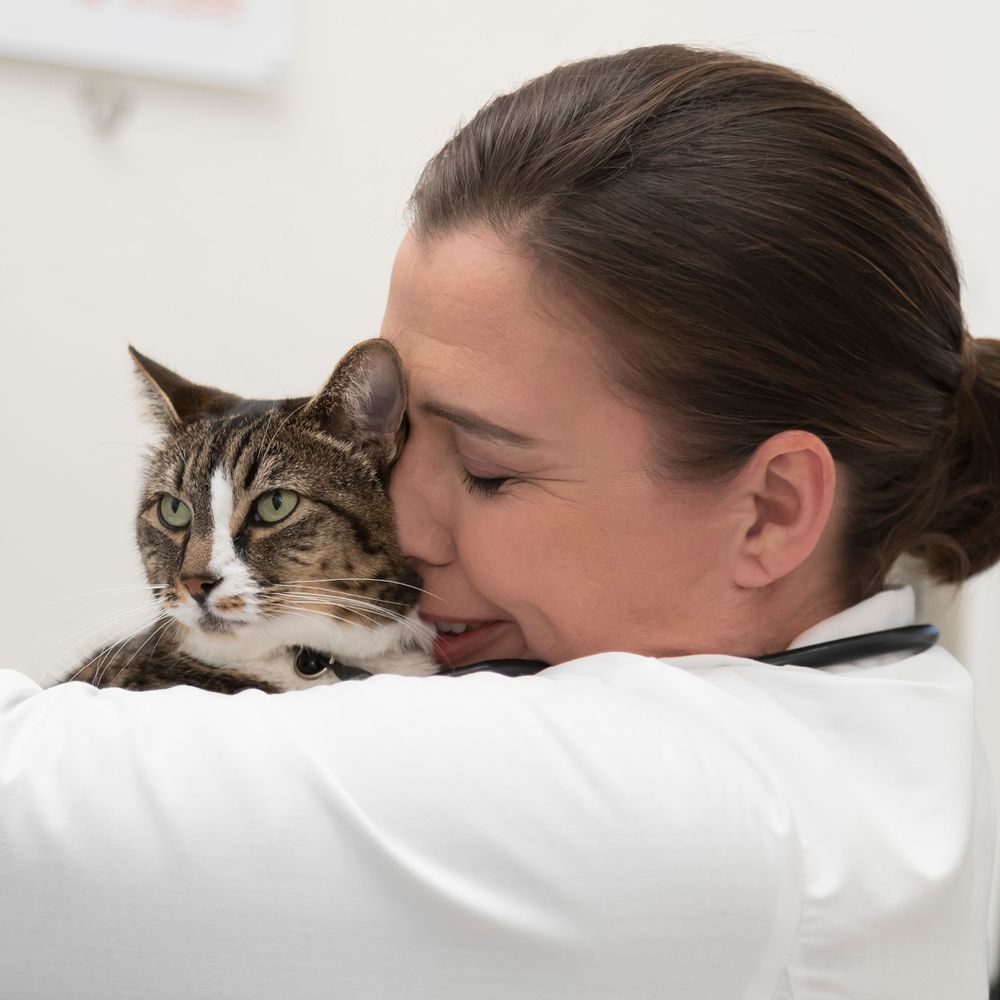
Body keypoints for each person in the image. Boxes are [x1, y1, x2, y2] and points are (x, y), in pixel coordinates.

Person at [0, 43, 995, 999]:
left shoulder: (657, 806)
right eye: (397, 442)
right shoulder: (885, 702)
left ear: (770, 513)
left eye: (486, 471)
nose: (402, 526)